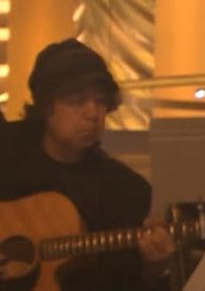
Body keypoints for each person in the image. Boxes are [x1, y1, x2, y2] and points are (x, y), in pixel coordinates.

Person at [0, 38, 176, 291]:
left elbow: (128, 283)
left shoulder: (126, 191)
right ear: (46, 107)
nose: (93, 113)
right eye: (76, 100)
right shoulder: (8, 153)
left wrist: (156, 269)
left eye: (101, 101)